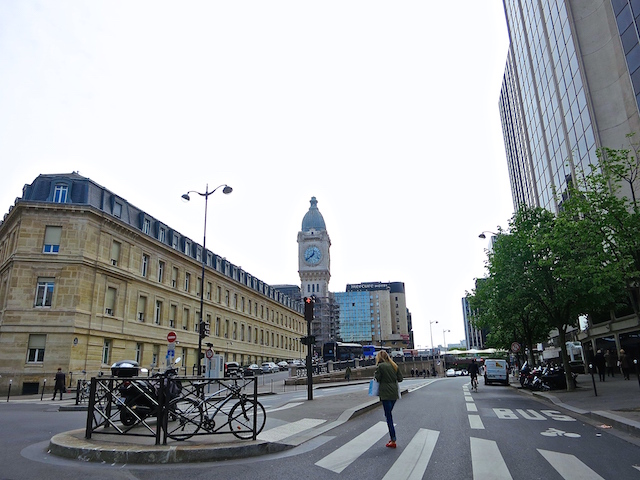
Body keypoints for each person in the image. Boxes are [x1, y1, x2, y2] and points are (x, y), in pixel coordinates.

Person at [374, 350, 403, 448]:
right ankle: (392, 439)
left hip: (385, 393)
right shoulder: (394, 365)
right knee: (388, 414)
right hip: (394, 393)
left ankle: (393, 439)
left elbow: (377, 378)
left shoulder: (380, 366)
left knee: (388, 416)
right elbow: (400, 379)